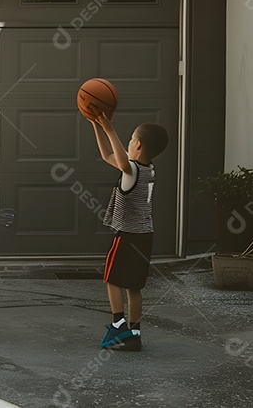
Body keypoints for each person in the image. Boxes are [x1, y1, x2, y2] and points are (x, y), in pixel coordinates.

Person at [89, 111, 168, 351]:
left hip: (128, 235)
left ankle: (118, 325)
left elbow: (123, 162)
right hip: (145, 235)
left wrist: (109, 128)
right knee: (134, 286)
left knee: (111, 278)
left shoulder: (131, 170)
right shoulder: (149, 169)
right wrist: (96, 125)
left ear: (138, 145)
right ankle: (134, 333)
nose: (128, 142)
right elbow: (108, 155)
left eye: (131, 138)